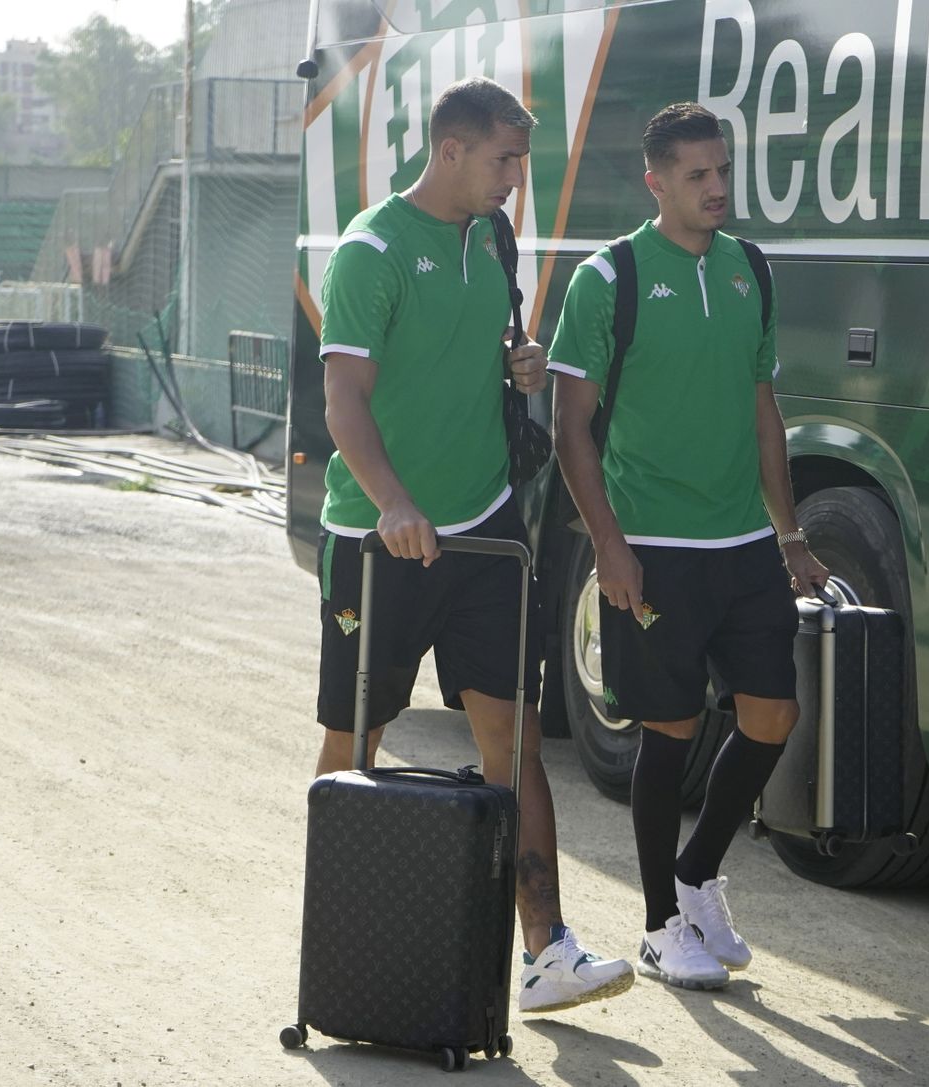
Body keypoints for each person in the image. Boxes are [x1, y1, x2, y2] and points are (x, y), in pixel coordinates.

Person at [312, 75, 632, 1013]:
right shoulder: (370, 251)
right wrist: (396, 504)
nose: (514, 182)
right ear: (450, 151)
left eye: (520, 163)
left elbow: (493, 342)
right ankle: (341, 930)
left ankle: (546, 951)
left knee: (516, 734)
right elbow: (344, 402)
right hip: (378, 539)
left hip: (487, 527)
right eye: (503, 160)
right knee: (356, 737)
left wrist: (518, 359)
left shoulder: (491, 237)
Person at [548, 102, 830, 990]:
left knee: (772, 715)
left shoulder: (752, 269)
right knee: (668, 729)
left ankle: (698, 872)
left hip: (745, 543)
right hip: (655, 546)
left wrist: (791, 535)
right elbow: (570, 429)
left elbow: (762, 412)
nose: (717, 188)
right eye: (697, 174)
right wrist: (610, 546)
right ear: (656, 181)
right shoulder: (610, 278)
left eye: (722, 170)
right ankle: (660, 925)